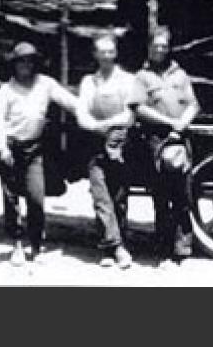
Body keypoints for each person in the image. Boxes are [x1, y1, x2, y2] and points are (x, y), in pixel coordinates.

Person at [0, 42, 78, 266]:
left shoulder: (45, 84)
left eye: (30, 61)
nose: (26, 65)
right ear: (15, 65)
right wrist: (2, 149)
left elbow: (69, 102)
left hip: (34, 149)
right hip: (11, 149)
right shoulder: (6, 90)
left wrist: (90, 112)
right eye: (21, 61)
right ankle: (17, 245)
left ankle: (37, 246)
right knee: (11, 200)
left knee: (36, 198)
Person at [128, 27, 200, 268]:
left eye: (164, 45)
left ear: (169, 47)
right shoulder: (143, 77)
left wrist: (183, 122)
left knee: (183, 196)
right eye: (155, 45)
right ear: (149, 47)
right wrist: (169, 122)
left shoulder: (180, 75)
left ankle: (183, 250)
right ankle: (164, 252)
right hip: (156, 141)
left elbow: (193, 104)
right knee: (161, 197)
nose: (160, 49)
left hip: (180, 140)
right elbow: (138, 107)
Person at [76, 32, 135, 269]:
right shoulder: (89, 82)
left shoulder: (127, 80)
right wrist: (96, 127)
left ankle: (109, 247)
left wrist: (110, 127)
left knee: (118, 197)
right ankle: (117, 248)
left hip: (121, 143)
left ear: (116, 53)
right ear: (95, 55)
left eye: (110, 52)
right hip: (95, 143)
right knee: (101, 196)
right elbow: (82, 113)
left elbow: (130, 113)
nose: (106, 57)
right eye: (102, 52)